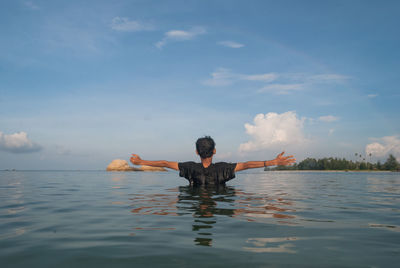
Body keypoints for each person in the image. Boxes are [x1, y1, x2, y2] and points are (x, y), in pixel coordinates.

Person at [130, 136, 295, 186]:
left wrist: (141, 161)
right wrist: (272, 162)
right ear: (214, 151)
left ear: (196, 152)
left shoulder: (189, 168)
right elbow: (247, 164)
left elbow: (165, 163)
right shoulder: (223, 168)